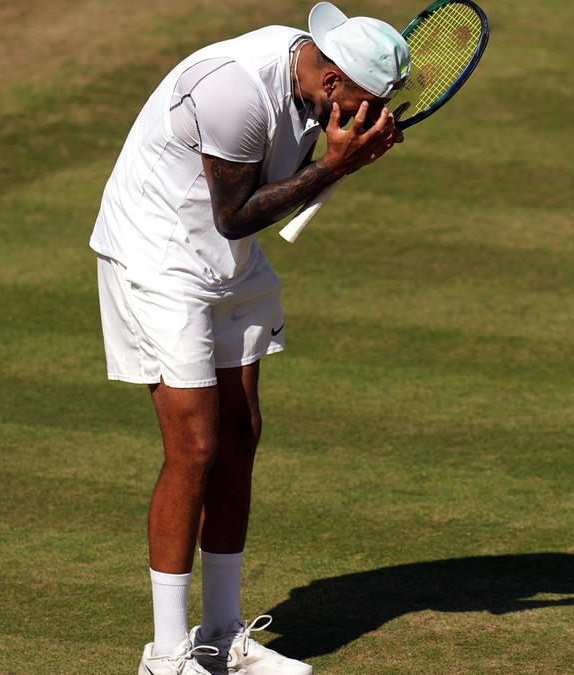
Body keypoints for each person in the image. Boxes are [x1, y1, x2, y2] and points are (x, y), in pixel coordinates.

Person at [89, 3, 411, 674]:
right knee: (196, 445)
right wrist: (334, 167)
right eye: (364, 103)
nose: (370, 116)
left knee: (241, 435)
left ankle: (221, 634)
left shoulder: (314, 84)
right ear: (330, 81)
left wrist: (342, 155)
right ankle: (166, 653)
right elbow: (234, 216)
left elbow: (238, 230)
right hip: (158, 256)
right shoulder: (235, 90)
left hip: (227, 264)